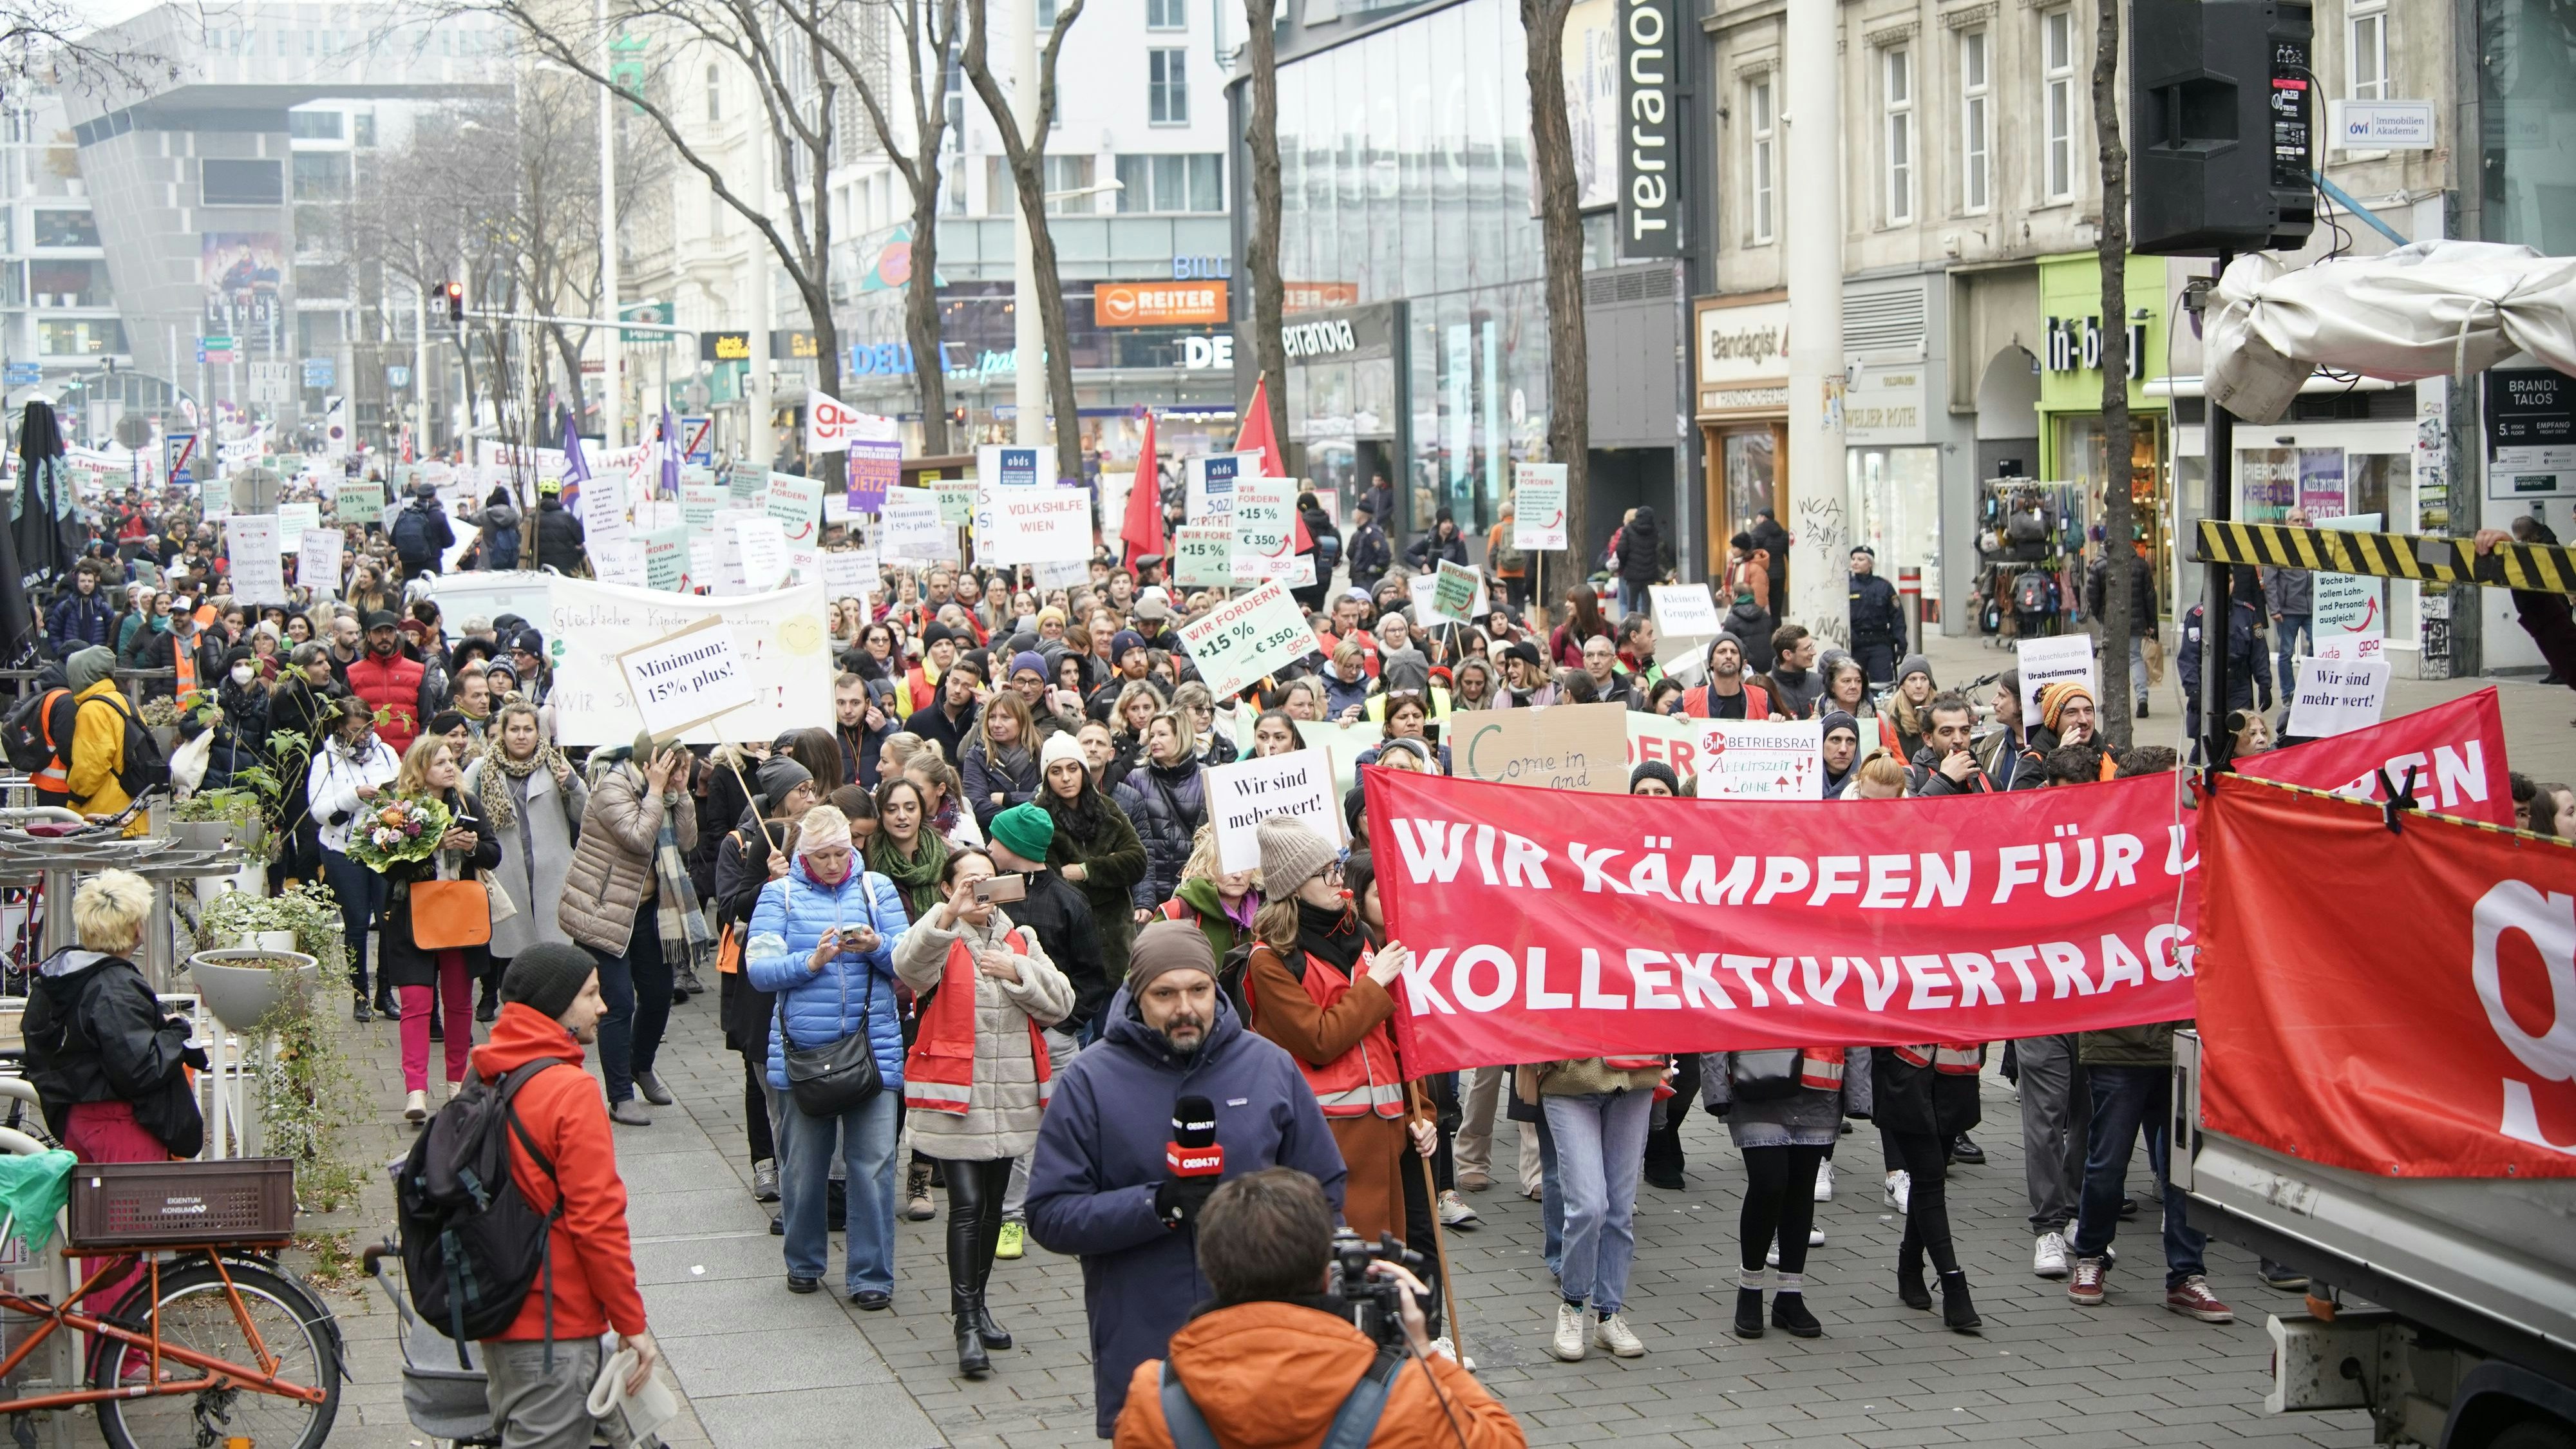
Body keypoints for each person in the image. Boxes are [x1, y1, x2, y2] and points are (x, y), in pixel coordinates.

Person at [1025, 921, 1348, 1437]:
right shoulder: (1091, 1080)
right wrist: (1158, 1207)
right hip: (1146, 1336)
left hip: (1267, 1338)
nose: (1185, 1008)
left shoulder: (1269, 1067)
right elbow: (1049, 1213)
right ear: (1136, 994)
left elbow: (1325, 1189)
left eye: (1198, 990)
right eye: (1165, 993)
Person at [1112, 1168, 1528, 1449]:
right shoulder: (1402, 1394)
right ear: (1326, 1275)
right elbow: (1504, 1440)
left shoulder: (1156, 1398)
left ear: (1211, 1270)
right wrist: (1425, 1353)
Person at [894, 844, 1074, 1375]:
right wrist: (946, 917)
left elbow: (1062, 1004)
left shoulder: (1021, 938)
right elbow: (909, 968)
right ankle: (966, 1322)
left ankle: (979, 1304)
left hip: (1011, 1093)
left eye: (990, 879)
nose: (982, 890)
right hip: (957, 1096)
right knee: (968, 1205)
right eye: (970, 881)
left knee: (994, 1206)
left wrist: (1014, 969)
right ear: (949, 888)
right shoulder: (940, 931)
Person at [470, 945, 659, 1449]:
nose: (603, 1006)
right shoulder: (569, 1091)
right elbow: (597, 1221)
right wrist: (631, 1321)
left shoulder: (486, 1072)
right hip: (555, 1326)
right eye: (591, 994)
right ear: (555, 1004)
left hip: (502, 1318)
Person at [746, 804, 912, 1302]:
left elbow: (907, 962)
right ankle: (803, 1261)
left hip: (873, 1049)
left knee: (875, 1167)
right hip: (803, 1052)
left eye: (842, 852)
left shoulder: (876, 889)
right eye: (822, 856)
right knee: (802, 1166)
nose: (835, 864)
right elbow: (761, 970)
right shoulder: (780, 894)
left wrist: (878, 945)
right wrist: (811, 961)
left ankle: (871, 1277)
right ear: (803, 855)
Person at [1244, 816, 1426, 1250]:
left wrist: (1424, 1115)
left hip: (1386, 1132)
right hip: (1327, 1136)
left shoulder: (1359, 934)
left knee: (1390, 1266)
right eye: (1326, 871)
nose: (1337, 879)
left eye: (1337, 867)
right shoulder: (1269, 959)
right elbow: (1319, 1041)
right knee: (1341, 1268)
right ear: (1294, 884)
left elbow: (1396, 1037)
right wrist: (1372, 984)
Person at [23, 871, 208, 1268]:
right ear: (134, 928)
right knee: (125, 1253)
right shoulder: (115, 986)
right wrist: (175, 1035)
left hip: (78, 1118)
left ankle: (96, 1328)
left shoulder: (60, 977)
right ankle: (118, 1329)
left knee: (98, 1244)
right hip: (121, 1124)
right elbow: (139, 1068)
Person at [558, 734, 697, 1126]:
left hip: (650, 910)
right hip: (602, 911)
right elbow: (638, 839)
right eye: (673, 766)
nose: (676, 775)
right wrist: (655, 791)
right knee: (618, 1003)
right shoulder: (611, 787)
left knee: (658, 995)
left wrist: (681, 794)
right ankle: (620, 1096)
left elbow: (686, 841)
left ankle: (641, 1065)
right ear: (652, 762)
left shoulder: (665, 792)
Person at [2065, 1019, 2234, 1325]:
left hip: (2184, 1043)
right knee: (2108, 1163)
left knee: (2184, 1171)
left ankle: (2187, 1275)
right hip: (2117, 1044)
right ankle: (2091, 1256)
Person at [374, 736, 500, 1121]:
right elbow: (385, 866)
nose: (450, 767)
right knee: (416, 1003)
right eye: (440, 762)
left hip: (460, 915)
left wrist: (471, 845)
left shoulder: (466, 803)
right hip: (413, 916)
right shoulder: (399, 809)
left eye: (452, 760)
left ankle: (457, 1083)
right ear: (419, 769)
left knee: (460, 1002)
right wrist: (432, 844)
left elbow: (494, 854)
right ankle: (415, 1090)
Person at [1710, 1045, 1868, 1341]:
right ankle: (1750, 1289)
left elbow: (1855, 1018)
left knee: (1801, 1187)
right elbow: (1718, 1014)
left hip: (1819, 1090)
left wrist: (1859, 1093)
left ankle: (1790, 1295)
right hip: (1758, 1080)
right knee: (1769, 1183)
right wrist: (1716, 1086)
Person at [1535, 1048, 1665, 1361]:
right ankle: (1573, 1304)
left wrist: (1668, 1056)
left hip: (1637, 1073)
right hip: (1571, 1077)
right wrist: (1540, 1053)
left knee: (1619, 1211)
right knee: (1588, 1206)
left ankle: (1609, 1315)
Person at [462, 702, 587, 1023]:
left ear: (538, 732)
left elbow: (584, 815)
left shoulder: (555, 764)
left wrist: (573, 784)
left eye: (528, 729)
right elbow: (463, 811)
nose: (521, 736)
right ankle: (513, 1014)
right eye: (514, 729)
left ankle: (557, 1016)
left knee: (555, 948)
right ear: (502, 733)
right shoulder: (481, 769)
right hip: (506, 871)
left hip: (552, 871)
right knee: (510, 949)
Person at [1874, 1042, 1986, 1334]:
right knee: (1930, 1178)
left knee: (1929, 1181)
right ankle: (1953, 1285)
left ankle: (1910, 1267)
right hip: (1905, 1070)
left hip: (1956, 1073)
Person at [309, 687, 403, 1018]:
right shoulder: (325, 761)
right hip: (342, 850)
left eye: (368, 728)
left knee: (389, 920)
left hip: (383, 848)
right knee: (357, 924)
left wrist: (394, 799)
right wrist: (354, 795)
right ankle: (360, 995)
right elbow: (319, 811)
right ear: (339, 728)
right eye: (355, 730)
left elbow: (404, 792)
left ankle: (385, 994)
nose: (363, 736)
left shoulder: (387, 753)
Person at [1038, 732, 1148, 978]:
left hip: (1118, 944)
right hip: (1070, 947)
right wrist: (1113, 879)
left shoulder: (1106, 808)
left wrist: (1086, 871)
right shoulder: (1039, 818)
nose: (1066, 778)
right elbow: (1055, 885)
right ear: (1047, 777)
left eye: (1072, 768)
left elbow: (1138, 861)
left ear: (1083, 771)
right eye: (1056, 772)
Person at [1118, 710, 1207, 908]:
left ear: (1181, 736)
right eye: (1151, 736)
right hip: (1149, 890)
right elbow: (1128, 838)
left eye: (1162, 734)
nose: (1154, 741)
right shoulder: (1136, 779)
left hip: (1193, 887)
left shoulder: (1207, 777)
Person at [347, 609, 431, 757]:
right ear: (368, 635)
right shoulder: (353, 674)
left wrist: (418, 754)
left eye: (389, 631)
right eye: (378, 632)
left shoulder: (416, 672)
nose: (384, 636)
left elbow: (427, 719)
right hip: (367, 759)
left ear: (396, 634)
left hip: (407, 760)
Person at [2091, 544, 2160, 717]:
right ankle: (2142, 698)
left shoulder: (2099, 566)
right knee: (2135, 657)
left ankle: (2110, 701)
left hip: (2109, 621)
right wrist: (2152, 622)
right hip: (2135, 621)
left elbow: (2092, 595)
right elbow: (2150, 595)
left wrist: (2100, 616)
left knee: (2109, 660)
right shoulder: (2140, 564)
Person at [961, 688, 1041, 832]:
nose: (996, 724)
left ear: (1022, 721)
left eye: (1005, 718)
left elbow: (1048, 799)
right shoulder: (976, 756)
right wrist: (1028, 818)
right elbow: (978, 808)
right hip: (995, 838)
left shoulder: (1041, 752)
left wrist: (1009, 799)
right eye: (992, 717)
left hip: (1038, 838)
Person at [1906, 692, 1993, 797]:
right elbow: (1912, 813)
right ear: (1928, 739)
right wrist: (1945, 780)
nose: (1958, 739)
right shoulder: (1908, 778)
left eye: (1965, 730)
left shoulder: (1988, 782)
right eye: (1947, 732)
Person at [1848, 546, 1904, 685]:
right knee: (1854, 685)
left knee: (1883, 686)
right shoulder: (1846, 586)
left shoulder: (1883, 586)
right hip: (1855, 645)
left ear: (1871, 563)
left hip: (1879, 644)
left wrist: (1901, 643)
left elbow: (1897, 616)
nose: (1855, 563)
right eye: (1853, 559)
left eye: (1861, 559)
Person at [1680, 635, 1774, 719]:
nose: (1729, 656)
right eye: (1722, 652)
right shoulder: (1687, 700)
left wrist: (1776, 721)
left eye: (1734, 652)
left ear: (1744, 664)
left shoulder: (1762, 698)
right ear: (1711, 662)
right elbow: (1668, 733)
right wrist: (1676, 721)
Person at [391, 479, 457, 578]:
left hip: (409, 567)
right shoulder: (439, 517)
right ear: (434, 497)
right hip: (432, 566)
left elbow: (393, 540)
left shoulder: (405, 515)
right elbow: (449, 542)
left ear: (418, 497)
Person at [1756, 624, 1825, 719]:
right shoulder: (1765, 687)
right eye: (1808, 648)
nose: (1814, 652)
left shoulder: (1821, 682)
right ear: (1787, 655)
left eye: (1812, 646)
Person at [46, 562, 115, 656]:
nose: (87, 584)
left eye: (90, 581)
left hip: (97, 661)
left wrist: (105, 655)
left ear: (95, 583)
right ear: (76, 583)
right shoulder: (65, 607)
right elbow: (54, 632)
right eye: (83, 581)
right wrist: (62, 653)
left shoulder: (104, 608)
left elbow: (113, 636)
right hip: (71, 661)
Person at [531, 478, 586, 573]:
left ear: (542, 495)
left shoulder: (532, 519)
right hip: (567, 572)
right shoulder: (568, 518)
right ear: (558, 495)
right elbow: (581, 540)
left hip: (540, 571)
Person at [1345, 498, 1392, 596]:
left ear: (1361, 514)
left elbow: (1384, 553)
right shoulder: (1359, 533)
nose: (1353, 513)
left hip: (1368, 579)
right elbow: (1351, 554)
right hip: (1358, 578)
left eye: (1356, 511)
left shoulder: (1372, 532)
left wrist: (1376, 568)